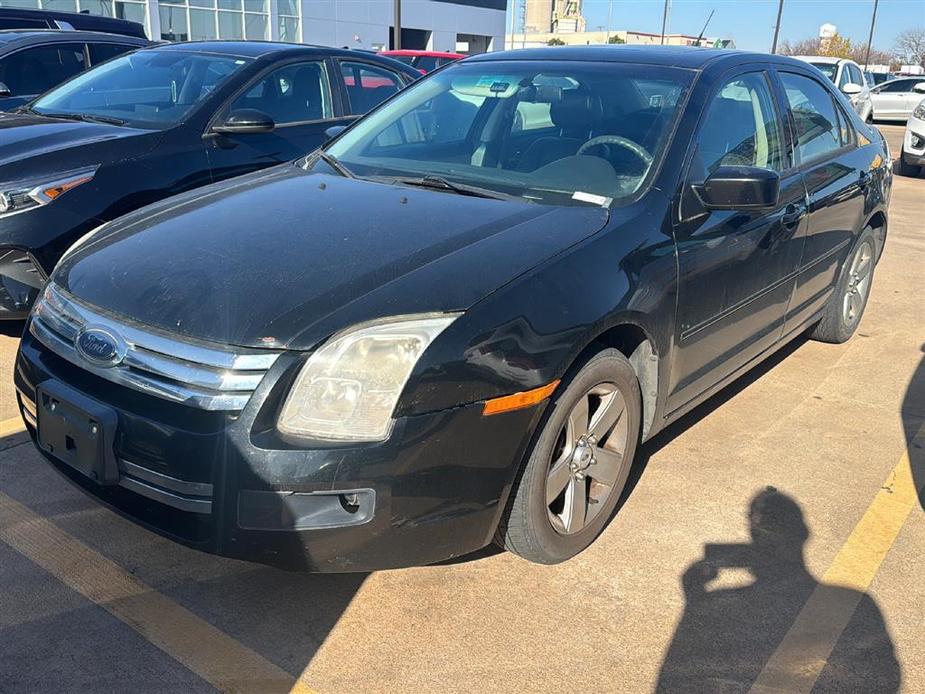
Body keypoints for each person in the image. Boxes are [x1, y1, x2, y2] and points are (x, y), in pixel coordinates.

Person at [656, 487, 900, 692]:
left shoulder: (721, 604)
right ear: (804, 534)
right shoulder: (857, 602)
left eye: (760, 527)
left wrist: (695, 598)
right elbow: (888, 679)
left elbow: (673, 680)